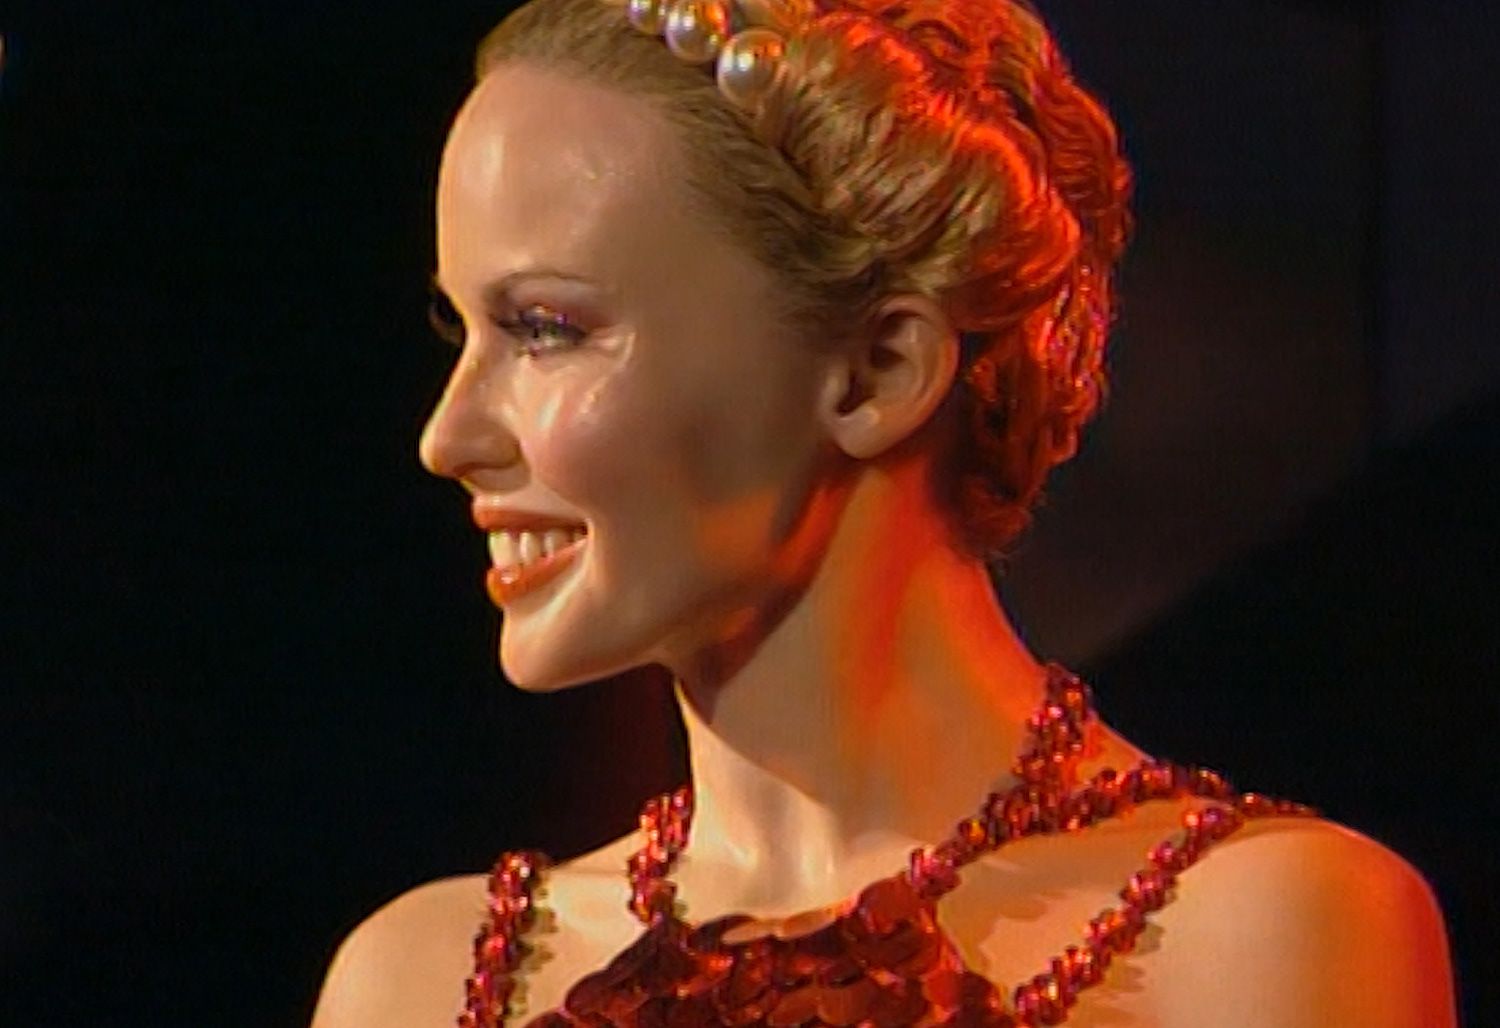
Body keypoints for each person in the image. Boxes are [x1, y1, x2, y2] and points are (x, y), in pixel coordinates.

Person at [310, 0, 1457, 1024]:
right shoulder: (422, 979)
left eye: (548, 329)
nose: (447, 435)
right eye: (461, 330)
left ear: (877, 369)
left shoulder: (1257, 932)